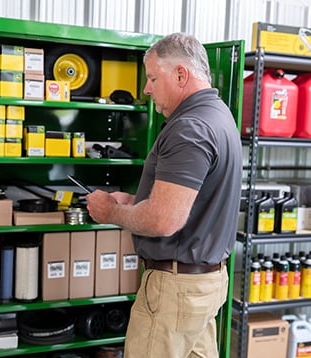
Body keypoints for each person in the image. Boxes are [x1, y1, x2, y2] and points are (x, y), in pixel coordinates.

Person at [85, 32, 242, 358]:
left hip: (175, 291)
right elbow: (193, 202)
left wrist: (109, 212)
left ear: (181, 74)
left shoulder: (190, 127)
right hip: (204, 285)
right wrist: (135, 201)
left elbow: (163, 219)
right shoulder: (219, 115)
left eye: (153, 78)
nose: (146, 89)